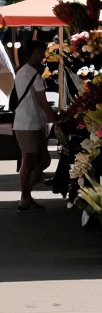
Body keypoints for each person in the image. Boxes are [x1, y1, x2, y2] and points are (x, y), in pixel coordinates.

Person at [11, 41, 54, 212]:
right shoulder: (33, 75)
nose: (42, 56)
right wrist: (55, 118)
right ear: (31, 53)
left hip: (31, 122)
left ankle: (27, 196)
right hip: (27, 124)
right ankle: (24, 198)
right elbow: (42, 101)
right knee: (28, 162)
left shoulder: (22, 71)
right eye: (39, 53)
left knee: (42, 160)